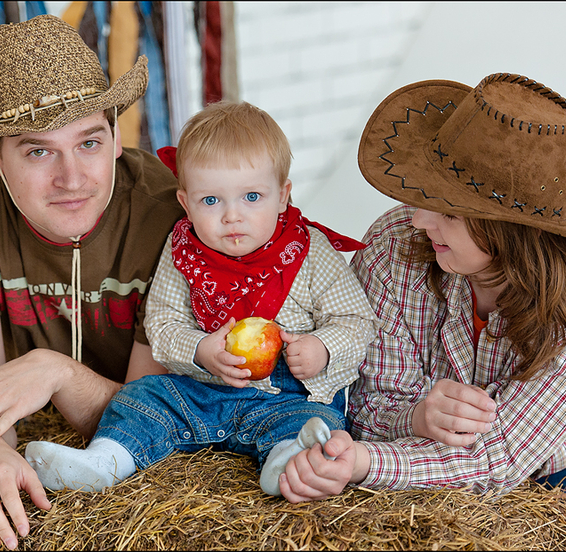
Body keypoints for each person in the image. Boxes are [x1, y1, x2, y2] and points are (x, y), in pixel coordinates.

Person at [278, 73, 566, 546]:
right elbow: (366, 407)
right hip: (437, 449)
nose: (419, 219)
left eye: (450, 211)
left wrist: (365, 463)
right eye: (426, 196)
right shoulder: (394, 247)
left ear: (512, 231)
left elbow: (499, 456)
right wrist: (415, 419)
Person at [0, 15, 185, 550]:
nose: (72, 178)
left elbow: (163, 419)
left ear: (116, 134)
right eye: (38, 151)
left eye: (89, 142)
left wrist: (56, 373)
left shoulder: (172, 212)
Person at [23, 101, 378, 496]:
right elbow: (162, 323)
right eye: (211, 201)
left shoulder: (310, 252)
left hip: (285, 397)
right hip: (203, 392)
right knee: (143, 396)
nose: (232, 216)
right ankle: (105, 460)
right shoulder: (183, 254)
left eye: (252, 197)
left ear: (283, 196)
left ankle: (287, 462)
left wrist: (321, 348)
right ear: (186, 203)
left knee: (313, 420)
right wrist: (200, 349)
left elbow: (357, 320)